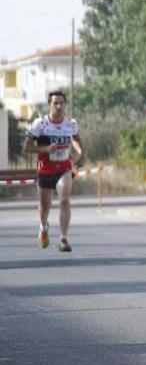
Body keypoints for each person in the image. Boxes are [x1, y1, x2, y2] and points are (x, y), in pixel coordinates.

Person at [23, 90, 85, 252]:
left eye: (61, 103)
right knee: (44, 207)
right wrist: (46, 148)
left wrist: (81, 153)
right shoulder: (40, 124)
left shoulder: (70, 124)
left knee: (64, 200)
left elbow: (76, 139)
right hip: (45, 170)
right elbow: (26, 146)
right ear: (49, 105)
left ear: (65, 105)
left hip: (64, 169)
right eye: (55, 103)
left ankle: (63, 238)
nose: (59, 106)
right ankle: (43, 228)